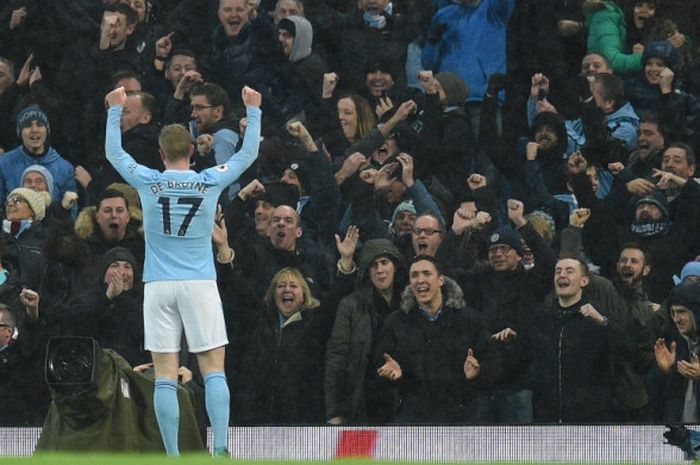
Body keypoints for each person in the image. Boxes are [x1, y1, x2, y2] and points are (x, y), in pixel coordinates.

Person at [105, 84, 262, 456]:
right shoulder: (209, 180)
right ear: (191, 152)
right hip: (199, 283)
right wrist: (253, 110)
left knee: (163, 376)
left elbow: (114, 152)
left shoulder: (149, 179)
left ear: (161, 154)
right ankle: (221, 449)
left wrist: (115, 110)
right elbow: (248, 153)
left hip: (158, 285)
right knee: (213, 370)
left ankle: (173, 456)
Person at [374, 255, 501, 423]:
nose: (420, 280)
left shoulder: (470, 320)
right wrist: (392, 375)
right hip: (414, 421)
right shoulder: (395, 322)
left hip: (461, 420)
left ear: (441, 280)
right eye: (414, 275)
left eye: (426, 273)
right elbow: (379, 368)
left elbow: (494, 363)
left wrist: (478, 372)